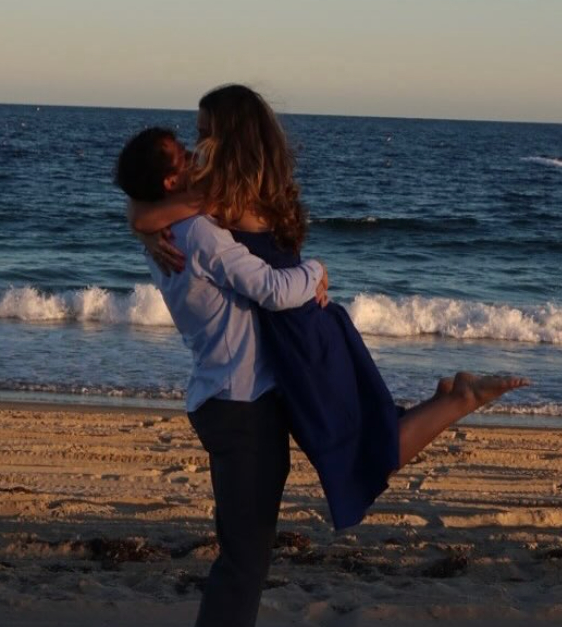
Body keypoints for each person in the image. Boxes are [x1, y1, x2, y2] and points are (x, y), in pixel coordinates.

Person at [127, 85, 528, 532]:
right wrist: (144, 227)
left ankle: (460, 398)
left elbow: (150, 211)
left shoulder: (224, 200)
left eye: (204, 134)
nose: (196, 147)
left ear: (231, 139)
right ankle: (451, 398)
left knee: (355, 448)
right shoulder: (258, 188)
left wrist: (144, 227)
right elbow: (148, 207)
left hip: (303, 340)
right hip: (309, 328)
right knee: (361, 435)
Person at [114, 124, 329, 627]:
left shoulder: (167, 233)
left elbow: (157, 207)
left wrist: (140, 220)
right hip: (243, 406)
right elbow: (274, 290)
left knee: (241, 554)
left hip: (220, 398)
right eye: (182, 155)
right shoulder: (198, 234)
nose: (193, 156)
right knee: (244, 563)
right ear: (169, 183)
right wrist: (316, 269)